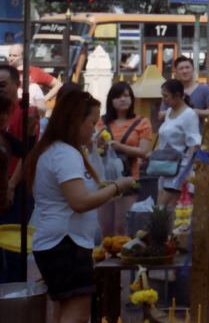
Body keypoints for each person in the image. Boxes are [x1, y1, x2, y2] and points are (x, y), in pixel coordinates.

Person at [24, 90, 134, 323]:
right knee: (77, 315)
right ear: (75, 120)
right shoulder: (65, 153)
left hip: (55, 243)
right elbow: (79, 202)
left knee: (62, 312)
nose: (94, 130)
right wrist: (116, 186)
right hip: (66, 244)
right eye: (92, 123)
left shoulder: (51, 150)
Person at [96, 82, 152, 237]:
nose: (123, 100)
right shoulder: (101, 122)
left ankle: (121, 257)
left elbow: (143, 152)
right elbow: (92, 146)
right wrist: (98, 143)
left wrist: (118, 147)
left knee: (122, 227)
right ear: (111, 101)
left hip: (128, 178)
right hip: (104, 179)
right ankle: (108, 258)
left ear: (132, 99)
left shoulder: (142, 122)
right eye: (118, 97)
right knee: (105, 227)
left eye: (126, 96)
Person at [0, 64, 39, 284]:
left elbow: (26, 151)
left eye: (3, 85)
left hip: (12, 195)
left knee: (11, 257)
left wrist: (32, 132)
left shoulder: (25, 116)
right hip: (7, 196)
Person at [155, 79, 201, 207]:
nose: (163, 99)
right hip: (166, 166)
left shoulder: (189, 115)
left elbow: (194, 144)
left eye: (165, 96)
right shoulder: (169, 111)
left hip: (180, 169)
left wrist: (187, 172)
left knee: (167, 208)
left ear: (177, 95)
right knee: (160, 208)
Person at [158, 56, 209, 126]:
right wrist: (179, 111)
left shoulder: (205, 89)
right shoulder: (171, 90)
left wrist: (194, 112)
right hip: (174, 135)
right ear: (176, 71)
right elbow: (160, 116)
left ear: (193, 70)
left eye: (187, 68)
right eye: (181, 68)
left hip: (198, 135)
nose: (185, 71)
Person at [8, 43, 62, 110]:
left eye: (15, 56)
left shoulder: (34, 71)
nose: (11, 58)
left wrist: (43, 100)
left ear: (23, 57)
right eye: (10, 55)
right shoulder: (5, 72)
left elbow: (59, 85)